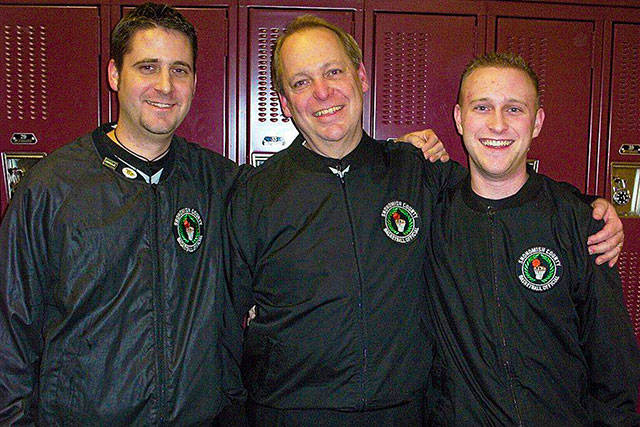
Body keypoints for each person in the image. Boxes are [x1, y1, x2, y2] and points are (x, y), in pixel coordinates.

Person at [224, 15, 624, 426]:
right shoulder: (254, 193)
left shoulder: (416, 172)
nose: (323, 91)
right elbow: (222, 322)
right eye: (302, 82)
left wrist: (588, 208)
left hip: (404, 414)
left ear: (361, 77)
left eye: (334, 71)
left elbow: (501, 189)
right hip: (288, 414)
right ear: (285, 103)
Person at [0, 3, 245, 424]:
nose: (165, 86)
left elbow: (299, 210)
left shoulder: (221, 184)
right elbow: (10, 331)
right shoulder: (50, 187)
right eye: (148, 67)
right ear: (115, 75)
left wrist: (393, 160)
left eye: (180, 70)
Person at [426, 52, 640, 425]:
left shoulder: (580, 223)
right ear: (459, 119)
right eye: (481, 107)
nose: (497, 125)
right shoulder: (430, 214)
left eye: (514, 109)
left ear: (537, 122)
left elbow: (613, 365)